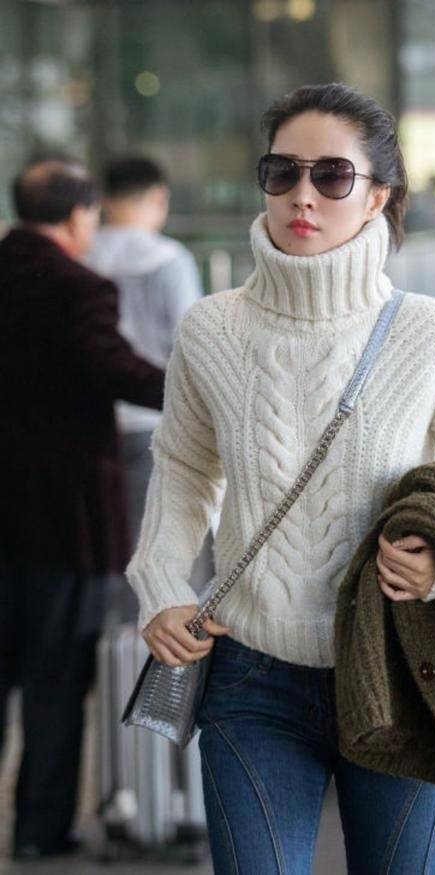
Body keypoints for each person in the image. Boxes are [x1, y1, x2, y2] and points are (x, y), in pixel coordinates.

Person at [126, 84, 435, 874]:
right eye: (283, 172)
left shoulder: (431, 333)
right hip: (251, 677)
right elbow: (185, 470)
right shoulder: (211, 328)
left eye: (333, 175)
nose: (302, 196)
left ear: (378, 196)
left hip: (402, 668)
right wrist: (161, 584)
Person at [0, 159, 165, 859]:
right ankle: (40, 831)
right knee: (56, 677)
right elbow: (114, 368)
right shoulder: (79, 288)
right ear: (78, 216)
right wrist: (194, 387)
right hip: (64, 517)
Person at [85, 156, 202, 617]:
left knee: (102, 545)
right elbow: (190, 342)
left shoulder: (82, 254)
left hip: (94, 422)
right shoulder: (169, 258)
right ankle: (143, 646)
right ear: (158, 198)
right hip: (154, 416)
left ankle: (106, 645)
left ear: (104, 199)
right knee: (151, 544)